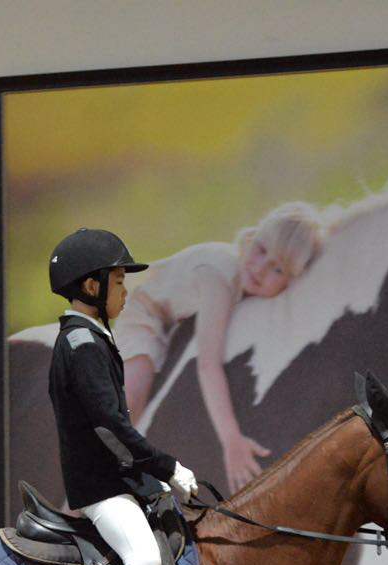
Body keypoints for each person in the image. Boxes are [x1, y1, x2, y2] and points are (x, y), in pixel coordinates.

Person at [46, 227, 199, 565]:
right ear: (91, 287)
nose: (125, 290)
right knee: (145, 558)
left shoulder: (91, 338)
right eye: (117, 280)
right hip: (100, 487)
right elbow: (109, 428)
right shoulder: (83, 344)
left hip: (117, 480)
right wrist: (166, 467)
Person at [117, 202, 325, 490]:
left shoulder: (244, 282)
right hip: (145, 311)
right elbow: (208, 364)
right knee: (131, 400)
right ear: (251, 239)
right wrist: (231, 441)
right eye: (262, 251)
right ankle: (85, 489)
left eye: (277, 268)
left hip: (177, 323)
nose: (261, 269)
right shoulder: (220, 277)